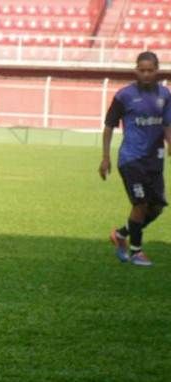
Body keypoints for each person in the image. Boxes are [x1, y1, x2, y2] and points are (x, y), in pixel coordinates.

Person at [99, 51, 171, 266]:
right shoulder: (124, 96)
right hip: (131, 158)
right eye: (142, 70)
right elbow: (109, 126)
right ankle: (136, 252)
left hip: (154, 159)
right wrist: (105, 157)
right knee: (140, 203)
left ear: (157, 70)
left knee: (156, 207)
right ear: (136, 70)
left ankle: (121, 234)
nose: (146, 74)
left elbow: (167, 124)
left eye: (150, 70)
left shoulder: (165, 95)